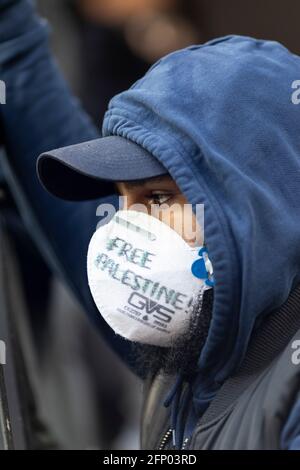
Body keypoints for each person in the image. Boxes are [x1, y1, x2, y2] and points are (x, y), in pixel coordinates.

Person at [1, 0, 300, 450]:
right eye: (122, 200)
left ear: (258, 208)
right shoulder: (193, 358)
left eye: (158, 198)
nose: (127, 232)